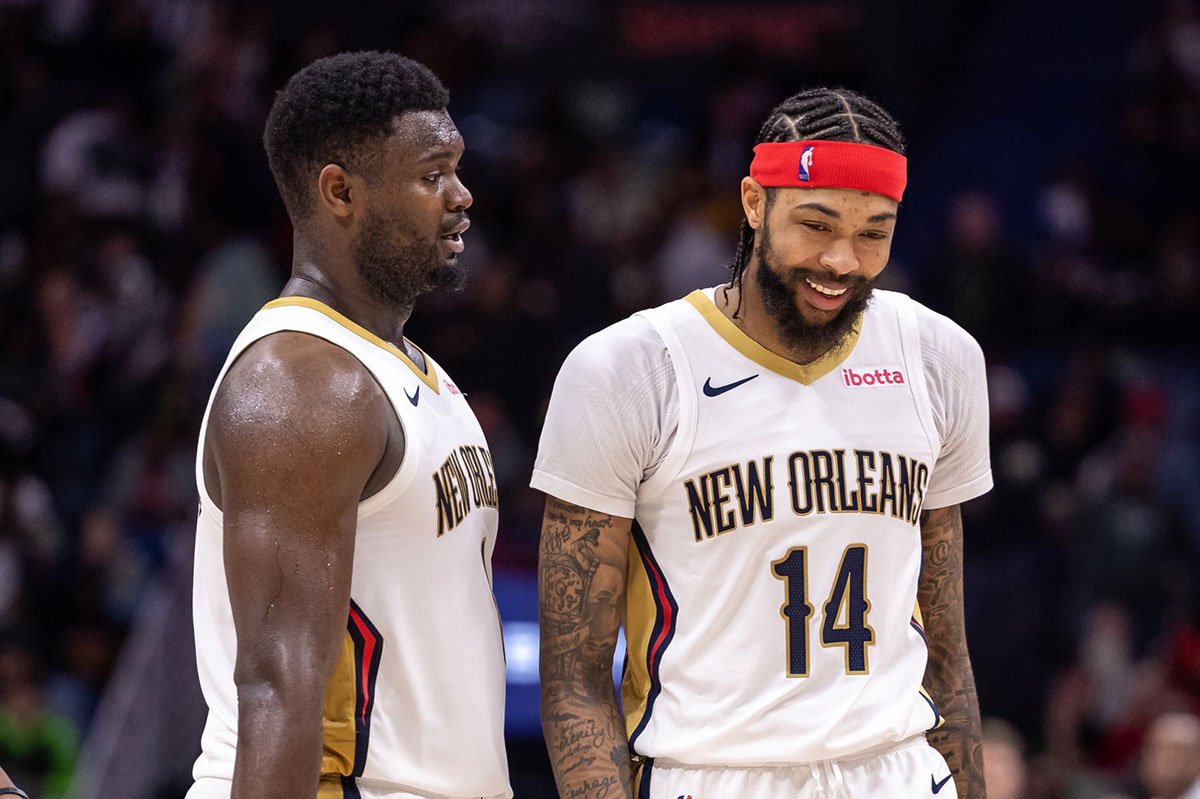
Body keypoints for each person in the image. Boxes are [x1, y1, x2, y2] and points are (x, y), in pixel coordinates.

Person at [533, 87, 992, 799]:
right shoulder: (629, 370)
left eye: (875, 231)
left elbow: (949, 655)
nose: (842, 259)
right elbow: (575, 679)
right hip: (709, 773)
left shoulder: (939, 356)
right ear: (754, 202)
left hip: (899, 769)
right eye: (816, 224)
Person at [185, 52, 510, 799]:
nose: (460, 196)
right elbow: (276, 684)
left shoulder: (398, 365)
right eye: (432, 175)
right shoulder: (303, 383)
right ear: (341, 191)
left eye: (456, 169)